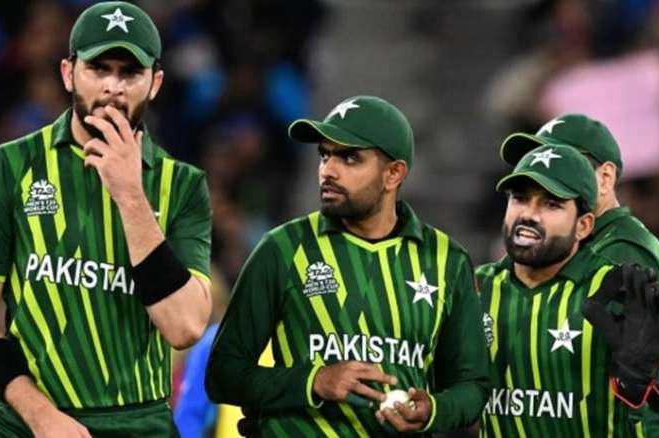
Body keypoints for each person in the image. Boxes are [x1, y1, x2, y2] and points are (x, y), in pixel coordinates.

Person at [0, 2, 213, 437]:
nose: (113, 87)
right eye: (99, 68)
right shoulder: (10, 166)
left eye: (130, 73)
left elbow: (184, 326)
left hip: (137, 425)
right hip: (25, 424)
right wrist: (41, 415)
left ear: (155, 83)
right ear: (69, 73)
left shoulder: (182, 185)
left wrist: (130, 194)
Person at [205, 95, 490, 436]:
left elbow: (473, 386)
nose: (328, 170)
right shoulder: (282, 249)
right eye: (325, 155)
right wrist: (314, 381)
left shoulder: (447, 261)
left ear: (393, 174)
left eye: (350, 158)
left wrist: (435, 410)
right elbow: (223, 374)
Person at [500, 114, 659, 436]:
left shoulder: (619, 256)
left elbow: (644, 378)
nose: (546, 175)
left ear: (606, 178)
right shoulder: (593, 245)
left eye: (565, 163)